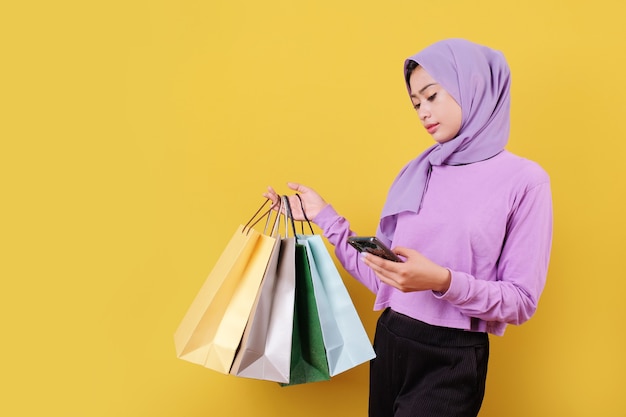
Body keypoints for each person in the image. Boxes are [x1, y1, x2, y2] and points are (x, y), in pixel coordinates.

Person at [264, 38, 552, 417]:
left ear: (473, 86)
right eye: (416, 102)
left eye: (432, 96)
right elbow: (385, 278)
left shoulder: (524, 180)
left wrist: (442, 281)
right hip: (391, 339)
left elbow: (520, 301)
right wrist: (323, 216)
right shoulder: (419, 172)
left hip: (451, 356)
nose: (423, 112)